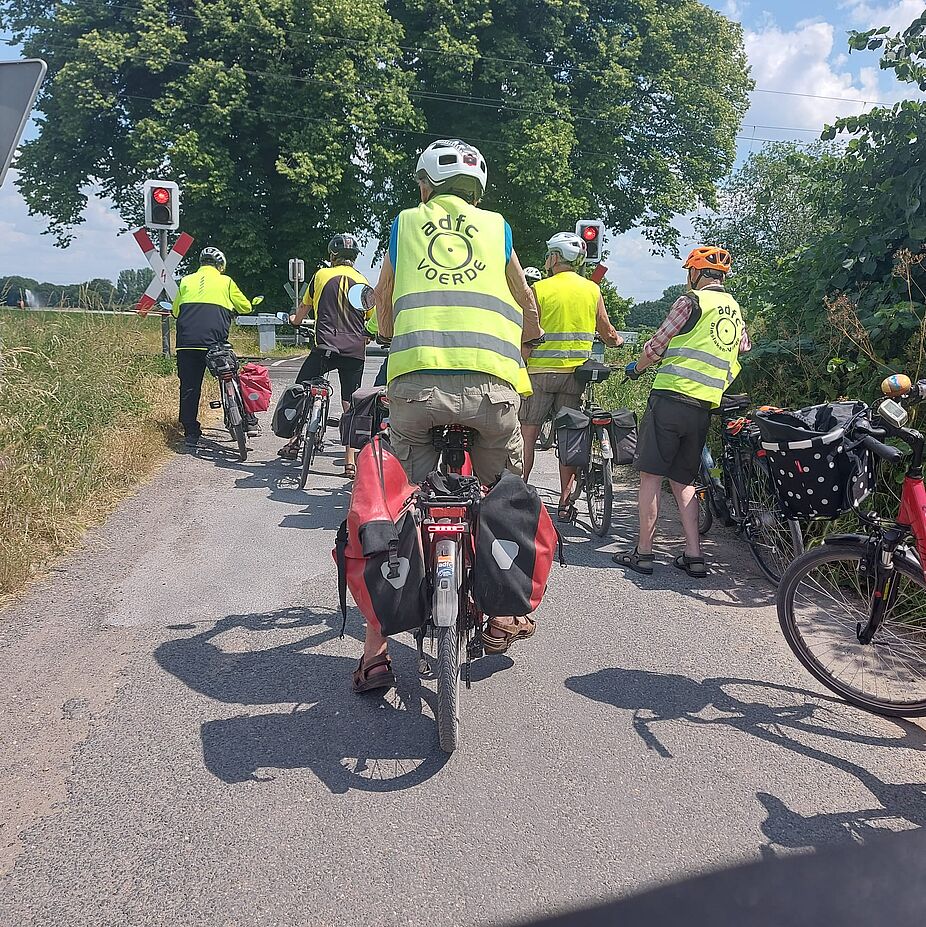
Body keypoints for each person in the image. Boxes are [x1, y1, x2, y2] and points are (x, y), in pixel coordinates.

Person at [354, 137, 545, 692]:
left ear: (424, 185)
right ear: (479, 190)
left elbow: (384, 297)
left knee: (396, 510)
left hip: (415, 388)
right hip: (493, 389)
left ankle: (375, 653)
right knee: (503, 493)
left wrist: (386, 331)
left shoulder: (404, 224)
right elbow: (524, 299)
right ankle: (507, 610)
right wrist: (529, 335)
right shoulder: (498, 228)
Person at [612, 246, 750, 578]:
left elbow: (658, 345)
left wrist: (637, 367)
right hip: (703, 406)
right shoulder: (734, 310)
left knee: (650, 477)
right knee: (684, 480)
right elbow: (743, 346)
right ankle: (694, 555)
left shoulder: (691, 301)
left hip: (671, 399)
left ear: (695, 274)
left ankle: (644, 553)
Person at [519, 232, 623, 519]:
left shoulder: (539, 289)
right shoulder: (592, 290)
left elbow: (528, 334)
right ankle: (566, 502)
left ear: (554, 258)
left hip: (540, 373)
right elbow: (607, 330)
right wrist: (617, 342)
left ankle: (518, 498)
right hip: (575, 375)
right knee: (569, 436)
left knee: (528, 434)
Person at [279, 234, 370, 477]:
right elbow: (369, 319)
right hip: (354, 350)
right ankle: (350, 460)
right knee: (351, 402)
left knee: (301, 388)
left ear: (332, 256)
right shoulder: (362, 281)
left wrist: (295, 321)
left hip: (326, 347)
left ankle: (295, 441)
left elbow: (304, 307)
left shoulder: (320, 275)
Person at [171, 247, 253, 448]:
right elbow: (246, 307)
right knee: (231, 375)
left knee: (189, 387)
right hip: (215, 344)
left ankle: (191, 432)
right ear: (221, 266)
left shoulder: (186, 281)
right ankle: (249, 421)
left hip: (187, 345)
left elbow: (175, 311)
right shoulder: (226, 282)